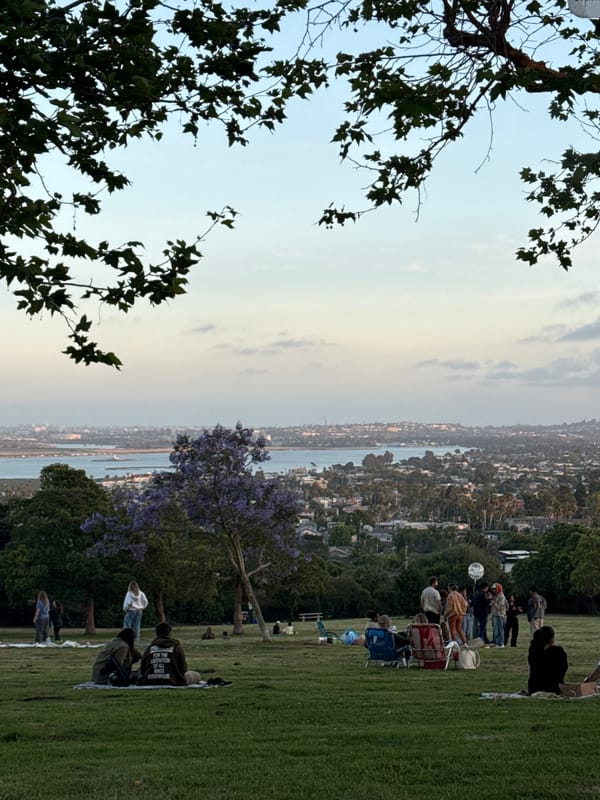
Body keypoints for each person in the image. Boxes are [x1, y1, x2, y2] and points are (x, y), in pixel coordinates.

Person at [527, 625, 568, 695]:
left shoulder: (533, 651)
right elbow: (562, 671)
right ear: (551, 639)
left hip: (534, 688)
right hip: (553, 688)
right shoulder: (558, 652)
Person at [490, 582, 508, 647]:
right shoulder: (496, 595)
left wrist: (494, 603)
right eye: (493, 589)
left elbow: (501, 607)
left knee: (500, 629)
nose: (493, 590)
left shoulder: (501, 596)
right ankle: (497, 642)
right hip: (495, 614)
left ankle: (501, 643)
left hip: (500, 615)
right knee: (496, 629)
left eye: (495, 589)